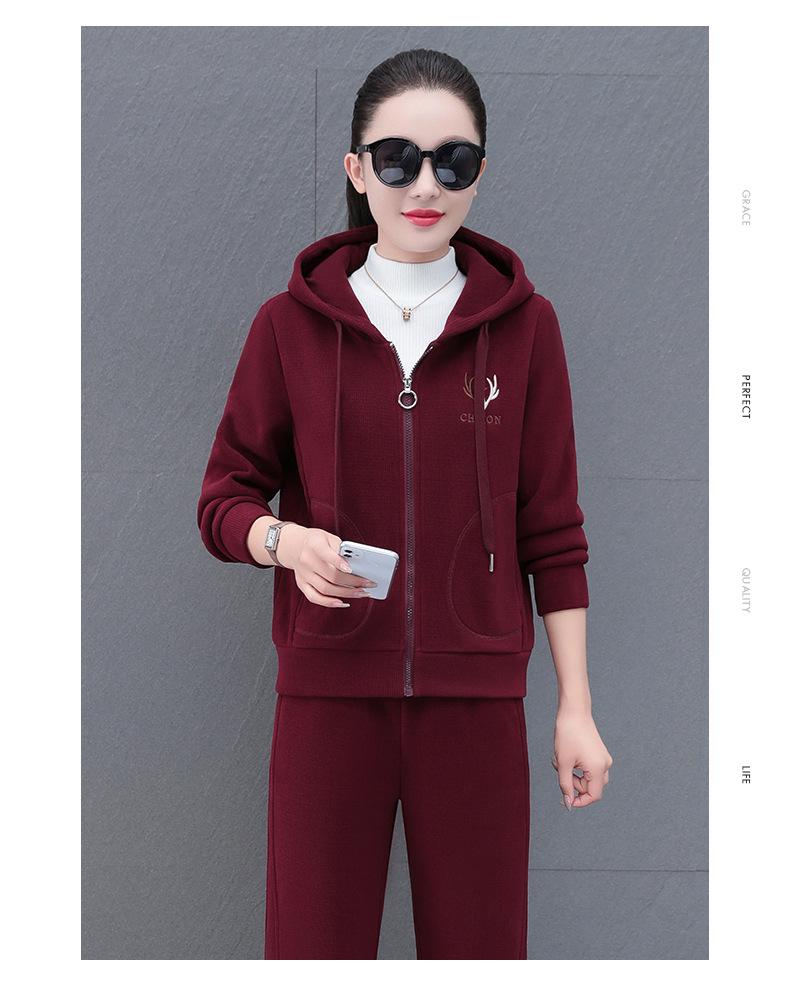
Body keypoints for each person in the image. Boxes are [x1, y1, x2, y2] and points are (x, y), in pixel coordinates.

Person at [197, 47, 613, 960]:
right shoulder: (289, 325)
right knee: (311, 953)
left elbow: (553, 531)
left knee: (481, 956)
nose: (425, 185)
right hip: (327, 702)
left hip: (477, 706)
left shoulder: (527, 329)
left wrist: (574, 707)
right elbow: (223, 497)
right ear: (357, 170)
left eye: (452, 162)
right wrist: (282, 540)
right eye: (397, 159)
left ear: (480, 173)